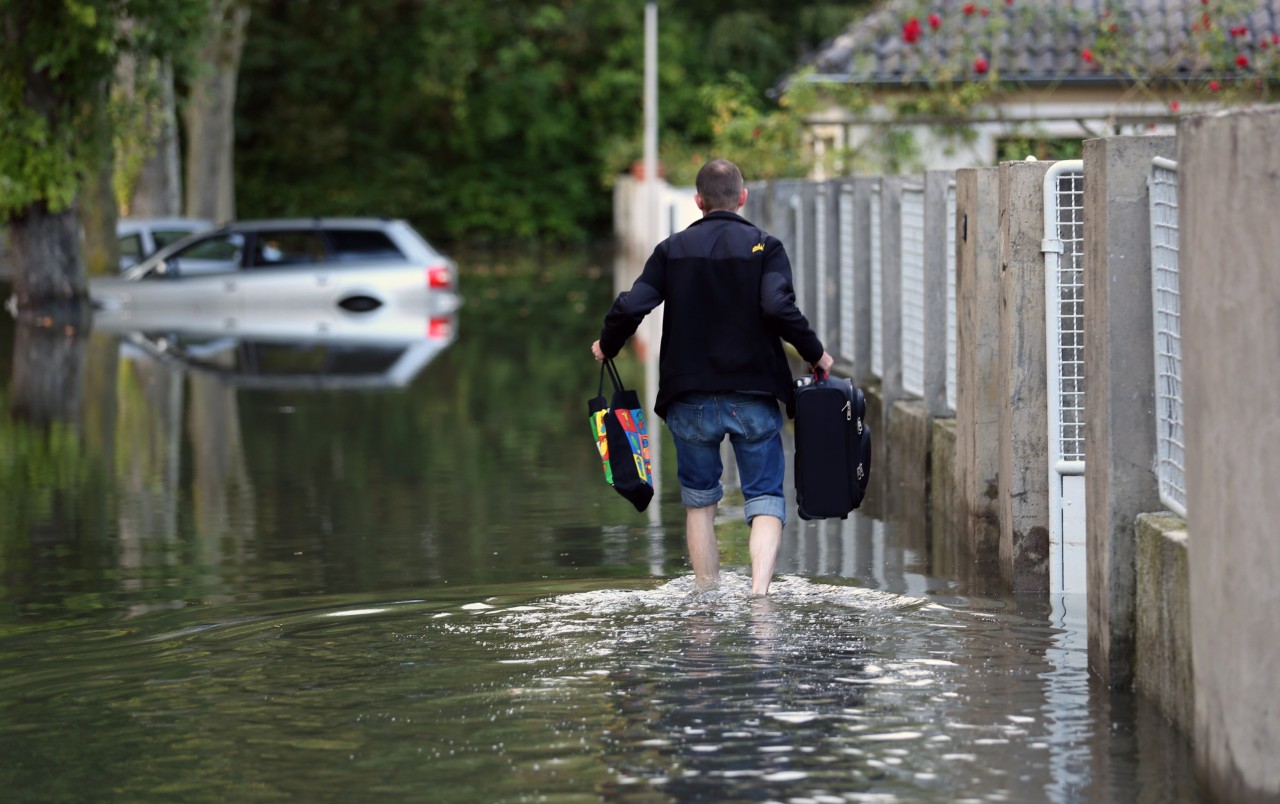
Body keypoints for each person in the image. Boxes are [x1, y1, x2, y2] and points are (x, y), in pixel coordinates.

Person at [591, 158, 833, 595]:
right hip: (753, 394)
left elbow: (631, 305)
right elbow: (778, 308)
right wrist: (816, 355)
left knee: (700, 505)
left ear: (698, 201)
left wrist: (608, 343)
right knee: (765, 500)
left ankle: (705, 604)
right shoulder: (765, 246)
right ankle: (759, 597)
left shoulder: (672, 249)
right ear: (742, 198)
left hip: (689, 398)